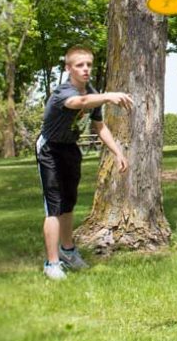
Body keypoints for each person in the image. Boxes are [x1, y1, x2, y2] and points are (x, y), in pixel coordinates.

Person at [36, 45, 132, 280]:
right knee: (54, 207)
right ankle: (52, 263)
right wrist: (108, 96)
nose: (86, 69)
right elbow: (78, 103)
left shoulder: (92, 92)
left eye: (88, 64)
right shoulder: (63, 91)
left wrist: (117, 152)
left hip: (70, 148)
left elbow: (99, 126)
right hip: (50, 149)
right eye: (80, 65)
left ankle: (68, 252)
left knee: (68, 204)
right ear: (69, 68)